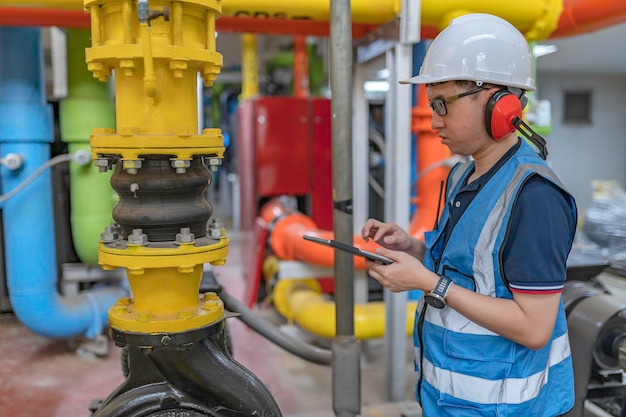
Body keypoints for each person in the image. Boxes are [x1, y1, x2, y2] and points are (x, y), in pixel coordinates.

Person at [361, 13, 577, 417]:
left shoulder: (535, 196)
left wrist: (428, 282)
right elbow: (469, 268)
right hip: (453, 402)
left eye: (442, 104)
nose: (434, 120)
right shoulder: (464, 172)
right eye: (431, 105)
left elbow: (534, 329)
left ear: (499, 103)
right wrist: (411, 246)